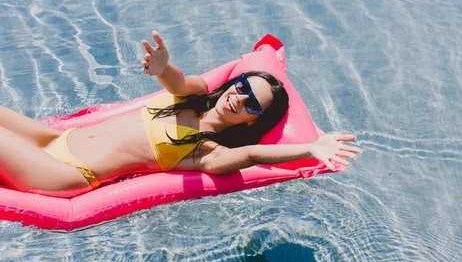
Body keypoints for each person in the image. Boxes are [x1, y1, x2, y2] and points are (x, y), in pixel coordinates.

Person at [0, 32, 360, 197]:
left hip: (67, 173)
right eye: (243, 87)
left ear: (253, 120)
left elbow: (250, 155)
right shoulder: (195, 96)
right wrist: (161, 67)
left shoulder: (208, 152)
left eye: (252, 104)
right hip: (54, 140)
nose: (240, 98)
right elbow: (177, 81)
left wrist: (311, 149)